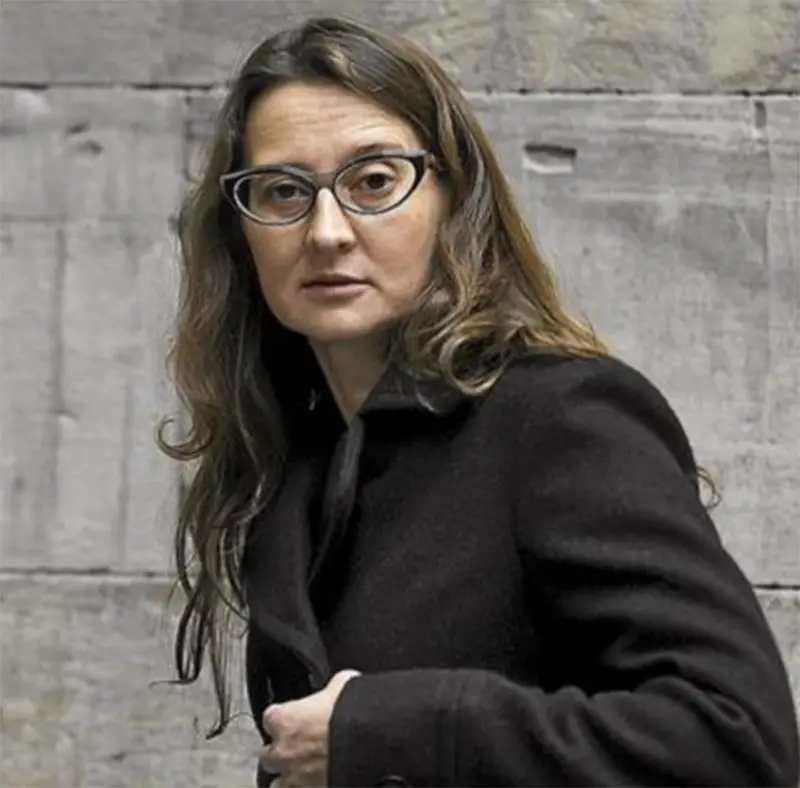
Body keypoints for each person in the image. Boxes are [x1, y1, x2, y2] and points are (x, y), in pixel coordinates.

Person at [157, 15, 799, 788]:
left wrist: (390, 732)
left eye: (374, 181)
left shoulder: (561, 417)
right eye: (284, 191)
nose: (326, 232)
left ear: (452, 199)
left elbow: (738, 740)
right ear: (240, 228)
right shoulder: (300, 459)